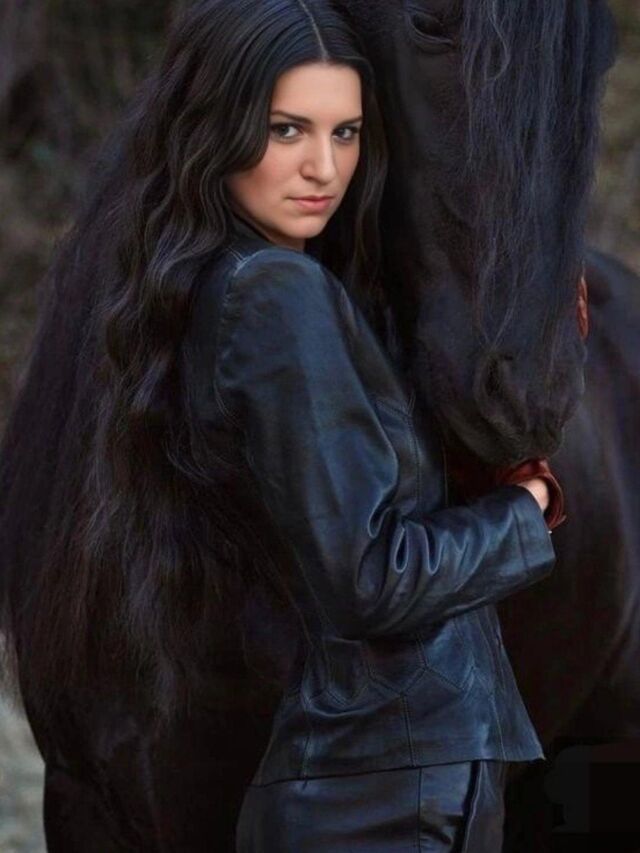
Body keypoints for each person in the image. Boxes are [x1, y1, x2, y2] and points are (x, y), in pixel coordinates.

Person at [0, 0, 561, 850]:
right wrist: (525, 511)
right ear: (219, 126)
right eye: (288, 129)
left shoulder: (229, 285)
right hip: (380, 796)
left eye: (346, 133)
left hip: (375, 784)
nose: (323, 168)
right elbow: (370, 578)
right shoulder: (276, 295)